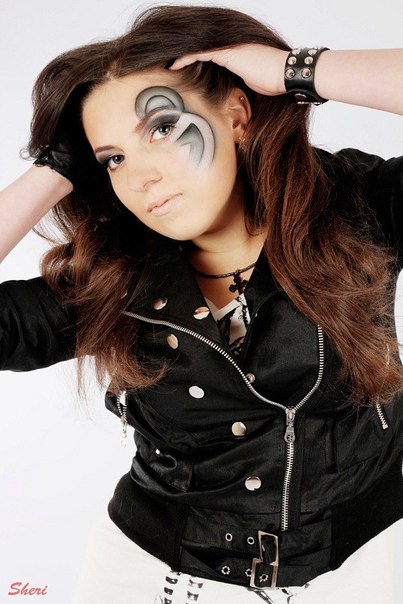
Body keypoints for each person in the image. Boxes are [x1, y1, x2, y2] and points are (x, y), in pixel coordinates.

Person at [1, 4, 402, 603]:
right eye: (113, 159)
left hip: (357, 563)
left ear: (237, 115)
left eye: (161, 129)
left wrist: (295, 71)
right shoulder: (110, 281)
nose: (140, 177)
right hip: (152, 572)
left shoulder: (355, 206)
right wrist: (54, 171)